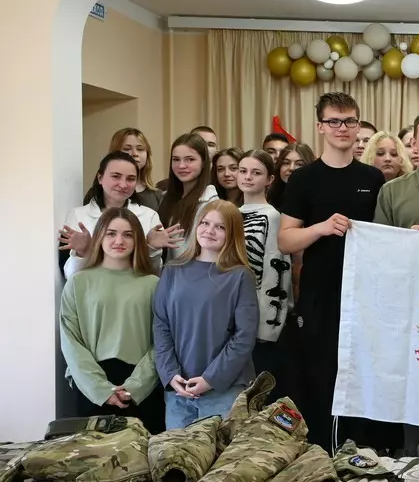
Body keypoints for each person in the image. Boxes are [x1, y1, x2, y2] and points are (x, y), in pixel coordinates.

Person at [279, 92, 387, 448]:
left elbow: (386, 235)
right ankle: (319, 453)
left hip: (365, 297)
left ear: (358, 125)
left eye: (350, 121)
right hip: (319, 295)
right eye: (335, 121)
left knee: (361, 376)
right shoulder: (303, 179)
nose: (343, 128)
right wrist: (320, 228)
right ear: (320, 126)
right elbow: (286, 240)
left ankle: (361, 452)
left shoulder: (373, 178)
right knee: (320, 377)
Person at [153, 200, 258, 430]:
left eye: (220, 227)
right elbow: (161, 325)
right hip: (179, 389)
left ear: (233, 234)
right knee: (176, 452)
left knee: (220, 452)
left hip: (224, 389)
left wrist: (211, 379)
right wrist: (169, 373)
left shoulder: (240, 276)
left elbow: (244, 336)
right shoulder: (172, 270)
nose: (210, 230)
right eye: (205, 223)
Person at [59, 208, 165, 433]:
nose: (119, 241)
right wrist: (99, 389)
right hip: (91, 387)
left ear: (137, 240)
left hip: (142, 387)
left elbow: (162, 342)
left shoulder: (153, 285)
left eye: (128, 235)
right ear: (99, 236)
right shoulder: (78, 283)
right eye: (111, 233)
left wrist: (136, 387)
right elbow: (70, 340)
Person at [61, 151, 172, 278]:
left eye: (131, 179)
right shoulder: (77, 216)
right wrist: (82, 253)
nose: (123, 185)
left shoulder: (150, 216)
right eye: (116, 176)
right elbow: (70, 277)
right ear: (100, 178)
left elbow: (155, 275)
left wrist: (152, 249)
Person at [237, 150, 290, 395]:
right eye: (243, 171)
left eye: (256, 172)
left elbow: (276, 272)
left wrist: (268, 329)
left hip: (257, 319)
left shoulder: (273, 217)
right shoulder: (232, 213)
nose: (248, 177)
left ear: (269, 179)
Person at [158, 133, 219, 245]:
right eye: (176, 159)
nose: (181, 166)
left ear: (204, 162)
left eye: (190, 159)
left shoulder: (211, 204)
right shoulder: (165, 198)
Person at [108, 127, 162, 212]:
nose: (135, 153)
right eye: (127, 149)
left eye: (140, 149)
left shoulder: (158, 196)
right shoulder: (100, 194)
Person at [268, 141, 315, 210]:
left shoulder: (317, 198)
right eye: (286, 163)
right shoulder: (269, 196)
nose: (291, 168)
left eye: (299, 164)